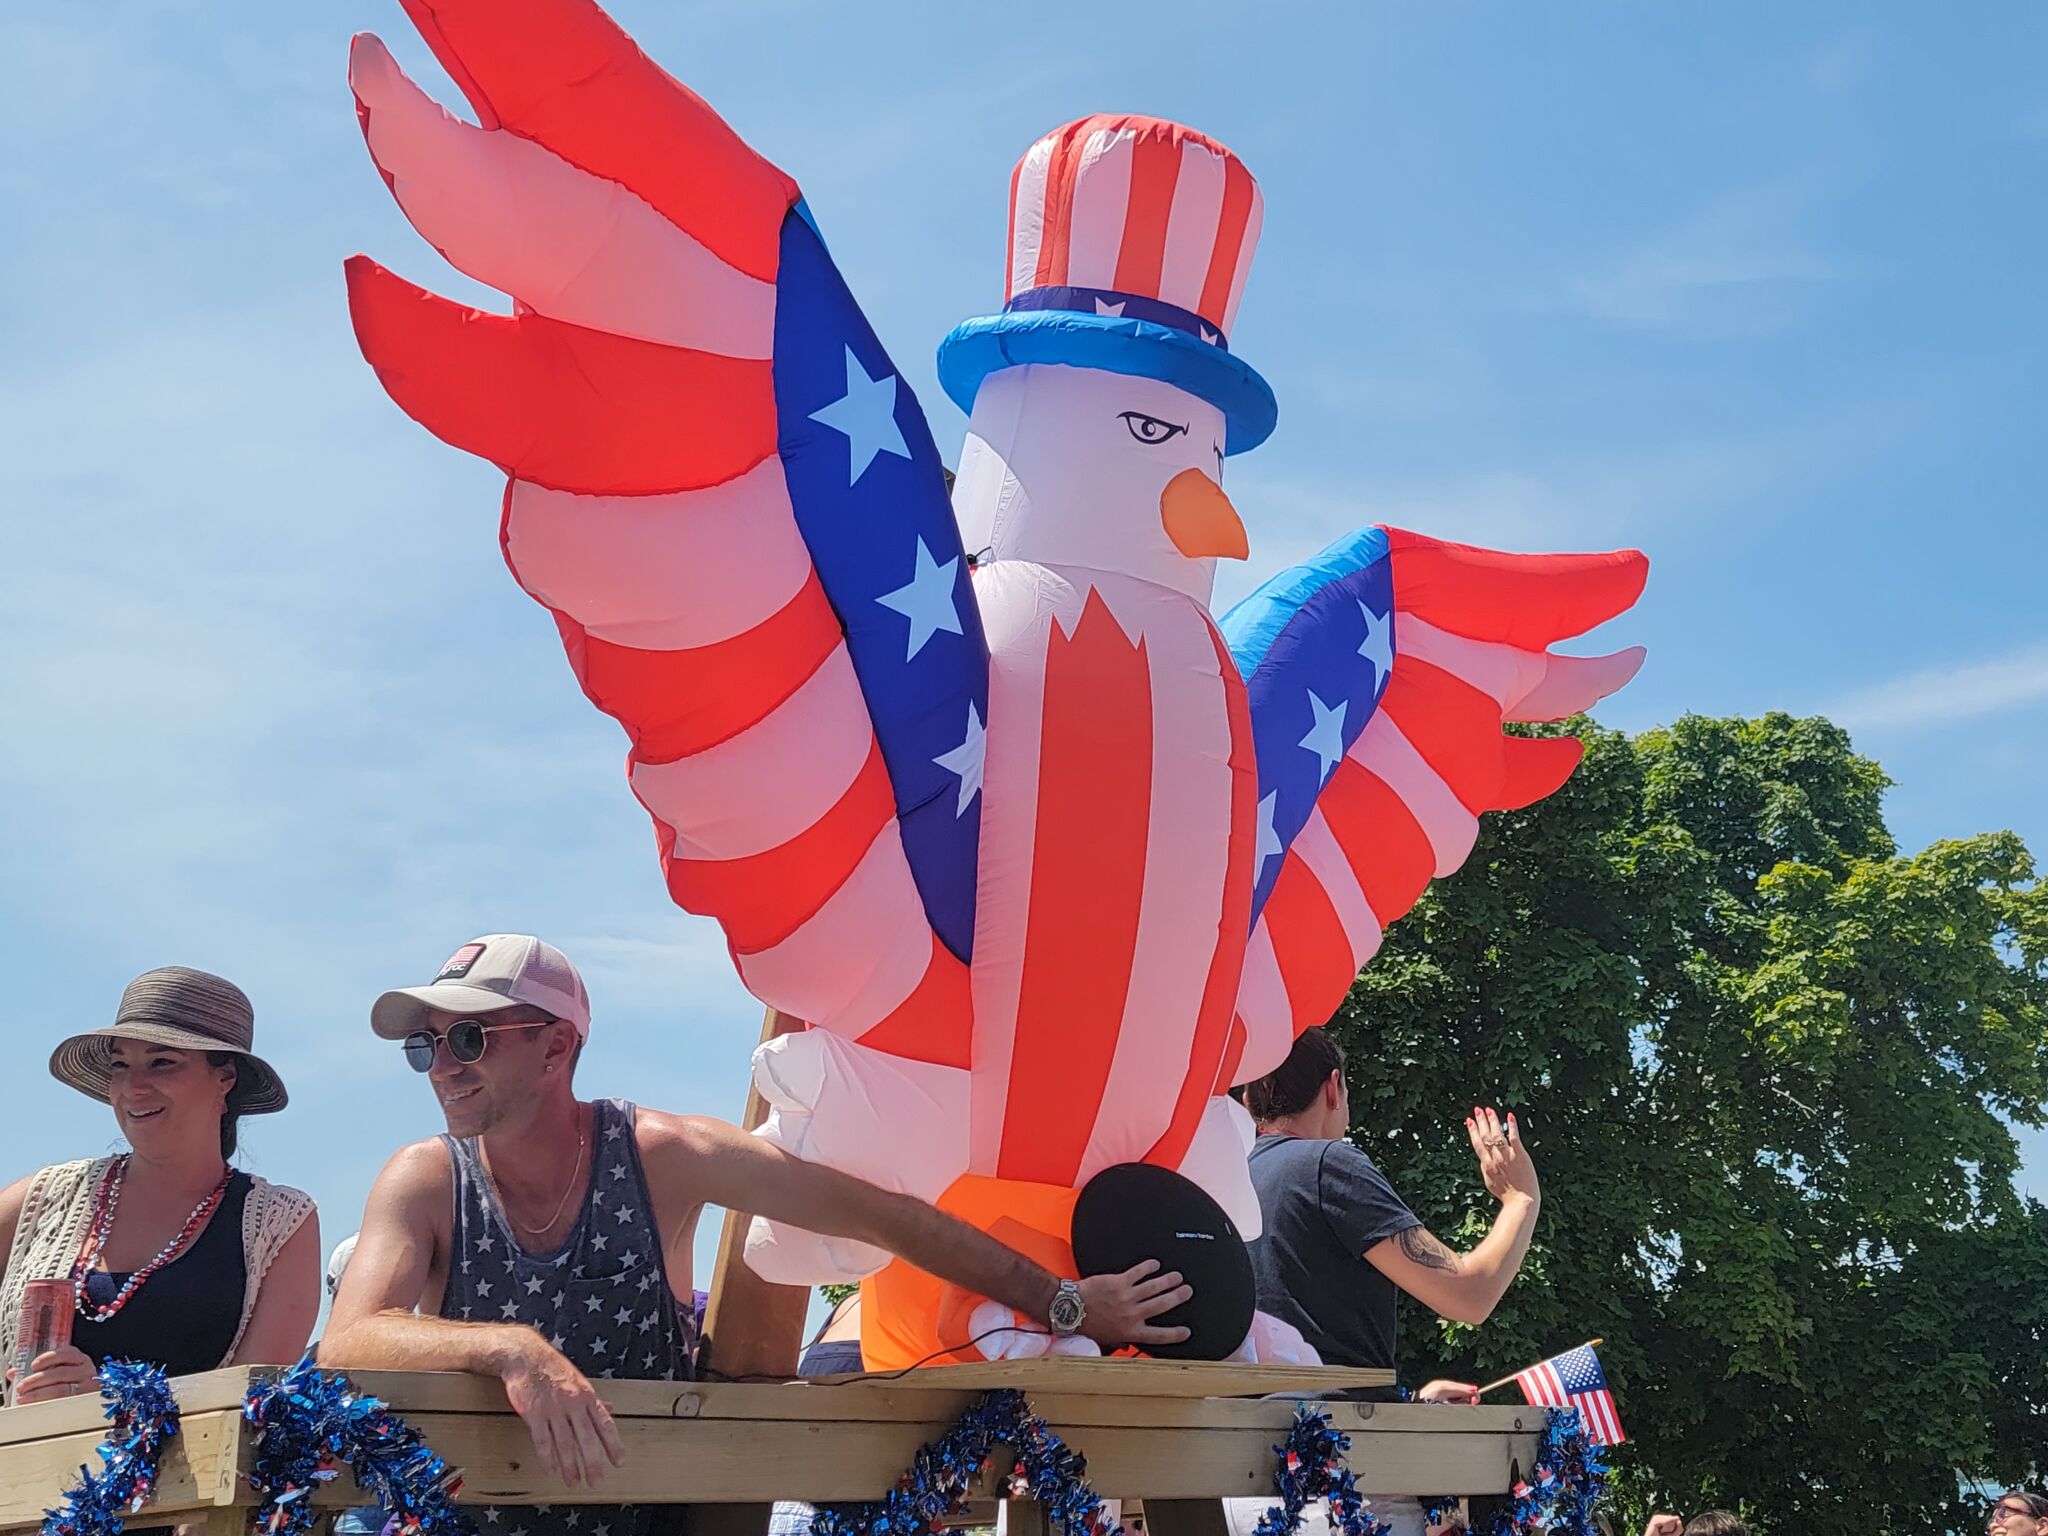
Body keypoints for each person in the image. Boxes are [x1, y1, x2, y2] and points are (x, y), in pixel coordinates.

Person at [322, 934, 1195, 1536]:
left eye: (468, 1037)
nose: (442, 1066)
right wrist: (512, 1349)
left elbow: (883, 1216)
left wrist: (1067, 1304)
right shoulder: (426, 1176)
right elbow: (350, 1338)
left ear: (555, 1048)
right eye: (426, 1045)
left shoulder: (663, 1155)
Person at [1223, 1026, 1541, 1536]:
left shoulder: (1224, 1179)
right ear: (1334, 1088)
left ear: (1248, 1098)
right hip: (1341, 1486)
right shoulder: (1330, 1164)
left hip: (1237, 1488)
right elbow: (1470, 1294)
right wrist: (1521, 1200)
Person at [0, 967, 321, 1405]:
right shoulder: (39, 1199)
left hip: (184, 1477)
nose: (134, 1087)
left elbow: (256, 1407)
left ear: (224, 1080)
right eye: (120, 1065)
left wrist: (111, 1399)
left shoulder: (283, 1223)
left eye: (161, 1062)